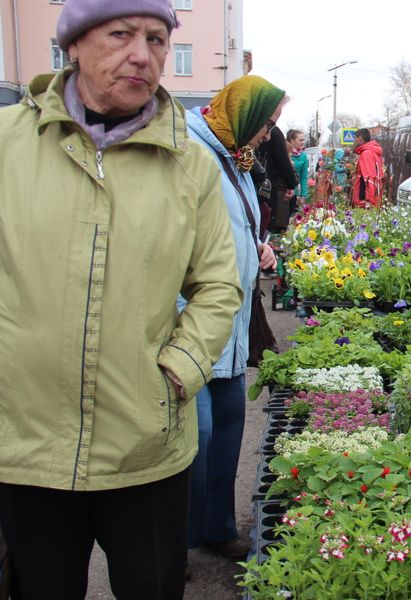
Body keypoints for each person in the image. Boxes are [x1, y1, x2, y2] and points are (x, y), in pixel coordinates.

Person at [0, 1, 243, 597]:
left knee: (154, 586)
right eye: (121, 34)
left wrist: (180, 370)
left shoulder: (190, 162)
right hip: (26, 445)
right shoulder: (8, 145)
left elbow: (218, 284)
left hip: (146, 445)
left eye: (158, 39)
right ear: (74, 45)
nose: (143, 54)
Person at [183, 75, 282, 562]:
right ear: (242, 115)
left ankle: (217, 528)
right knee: (192, 439)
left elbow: (236, 223)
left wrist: (260, 248)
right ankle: (175, 546)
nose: (267, 134)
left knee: (227, 428)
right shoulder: (193, 153)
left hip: (234, 323)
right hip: (192, 325)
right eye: (265, 124)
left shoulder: (235, 157)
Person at [258, 125, 299, 233]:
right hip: (270, 186)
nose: (266, 137)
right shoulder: (274, 132)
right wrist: (292, 184)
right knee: (269, 222)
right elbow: (283, 162)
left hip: (257, 185)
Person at [351, 127, 384, 208]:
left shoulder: (366, 154)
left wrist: (369, 202)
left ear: (360, 139)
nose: (354, 141)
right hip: (368, 198)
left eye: (355, 138)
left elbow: (369, 179)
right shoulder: (371, 152)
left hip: (364, 200)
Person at [286, 129, 309, 208]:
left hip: (295, 193)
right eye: (300, 140)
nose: (303, 142)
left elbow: (304, 177)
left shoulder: (304, 157)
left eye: (303, 140)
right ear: (292, 141)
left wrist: (303, 195)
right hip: (284, 191)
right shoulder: (286, 153)